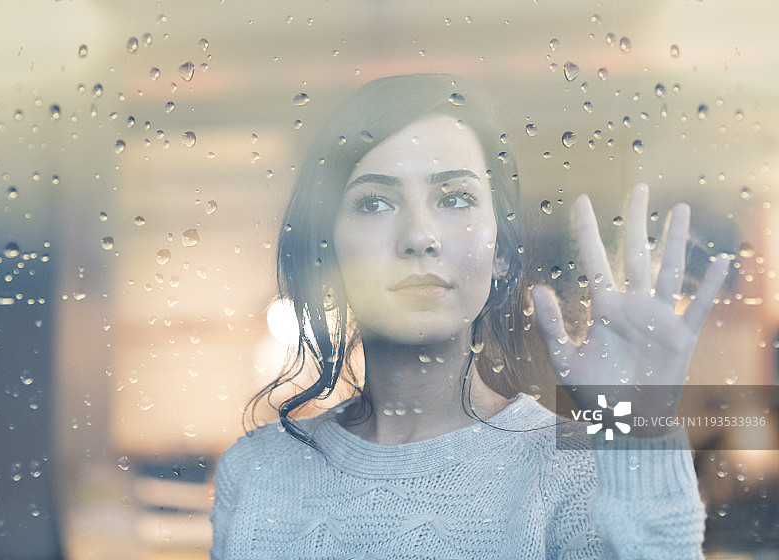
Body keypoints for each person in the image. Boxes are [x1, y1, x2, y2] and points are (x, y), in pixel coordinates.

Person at [210, 73, 730, 559]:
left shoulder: (577, 468)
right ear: (327, 252)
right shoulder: (256, 473)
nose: (420, 236)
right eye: (374, 204)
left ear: (500, 251)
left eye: (456, 198)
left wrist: (640, 434)